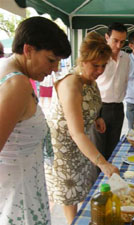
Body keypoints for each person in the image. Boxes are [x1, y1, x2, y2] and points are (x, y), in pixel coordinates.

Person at [0, 16, 71, 225]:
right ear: (28, 50)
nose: (55, 68)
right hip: (18, 199)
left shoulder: (8, 72)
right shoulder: (17, 85)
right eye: (51, 60)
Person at [45, 32, 119, 224]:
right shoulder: (71, 84)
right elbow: (76, 132)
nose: (100, 70)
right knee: (70, 192)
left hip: (80, 142)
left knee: (81, 186)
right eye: (96, 65)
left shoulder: (90, 81)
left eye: (104, 65)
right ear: (83, 60)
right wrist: (103, 163)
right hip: (63, 147)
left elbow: (90, 106)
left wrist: (98, 118)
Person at [90, 22, 129, 160]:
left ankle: (111, 180)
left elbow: (125, 82)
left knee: (113, 152)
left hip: (118, 108)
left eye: (122, 42)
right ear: (107, 37)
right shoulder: (98, 58)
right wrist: (96, 113)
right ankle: (99, 181)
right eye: (115, 41)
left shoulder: (126, 58)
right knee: (98, 152)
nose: (118, 46)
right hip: (100, 107)